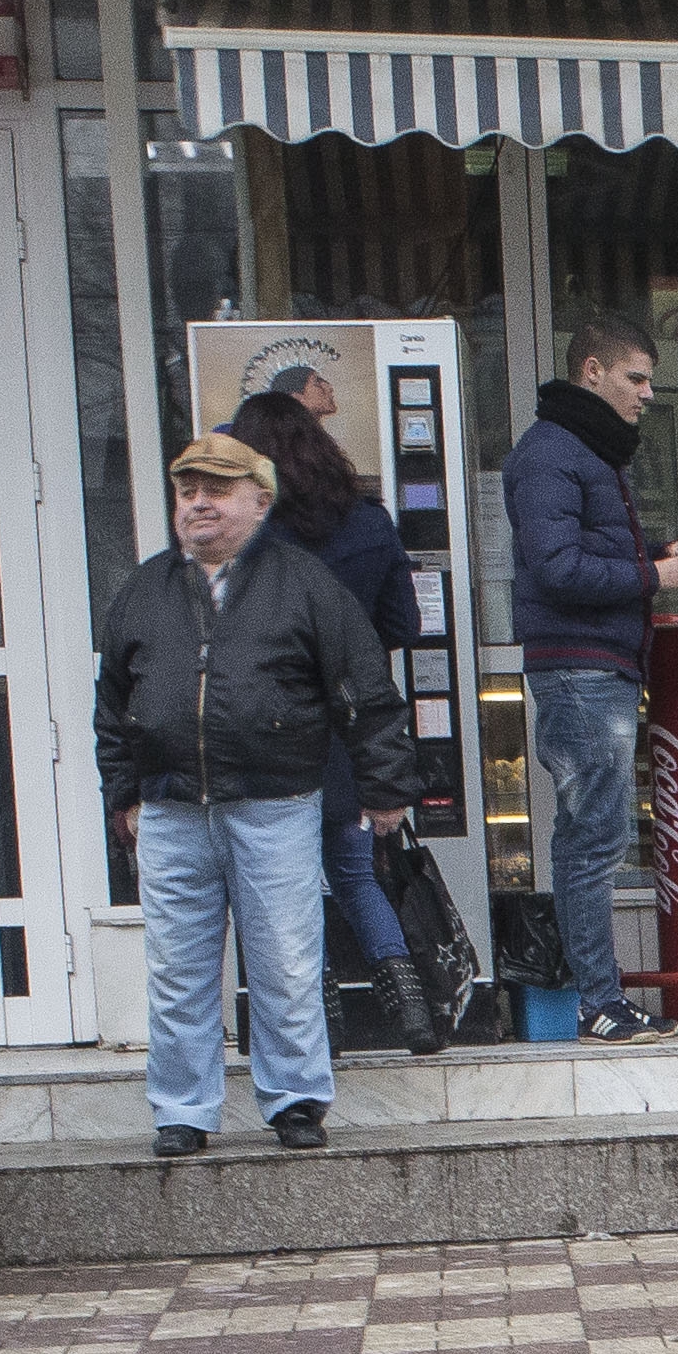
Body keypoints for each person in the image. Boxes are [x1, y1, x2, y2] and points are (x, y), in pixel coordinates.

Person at [93, 433, 413, 1158]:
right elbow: (113, 705)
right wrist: (125, 795)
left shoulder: (304, 583)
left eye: (217, 488)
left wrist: (386, 785)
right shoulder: (143, 589)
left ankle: (295, 1100)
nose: (198, 503)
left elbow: (367, 688)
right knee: (176, 967)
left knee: (286, 959)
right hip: (172, 807)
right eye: (187, 490)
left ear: (260, 501)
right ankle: (182, 1108)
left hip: (277, 801)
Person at [505, 315, 678, 1047]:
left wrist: (655, 551)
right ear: (591, 370)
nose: (649, 394)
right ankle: (599, 1003)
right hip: (581, 670)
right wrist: (654, 573)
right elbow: (557, 568)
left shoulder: (581, 449)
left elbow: (578, 552)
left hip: (596, 666)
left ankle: (600, 1000)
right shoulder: (553, 453)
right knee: (593, 842)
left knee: (594, 837)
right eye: (636, 378)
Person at [226, 386, 427, 1047]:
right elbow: (403, 621)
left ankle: (325, 1022)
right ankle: (415, 1015)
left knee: (282, 888)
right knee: (354, 870)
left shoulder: (253, 537)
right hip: (350, 727)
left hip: (271, 730)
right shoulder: (370, 523)